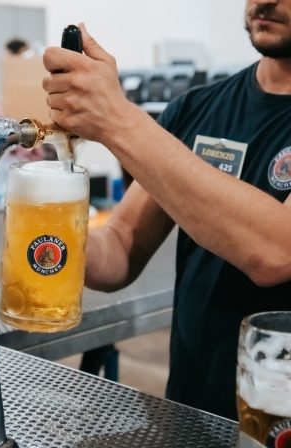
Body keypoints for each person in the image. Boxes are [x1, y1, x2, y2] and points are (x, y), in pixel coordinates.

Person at [42, 0, 291, 421]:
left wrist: (117, 120)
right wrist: (48, 235)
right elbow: (121, 245)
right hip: (192, 411)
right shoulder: (196, 108)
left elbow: (275, 250)